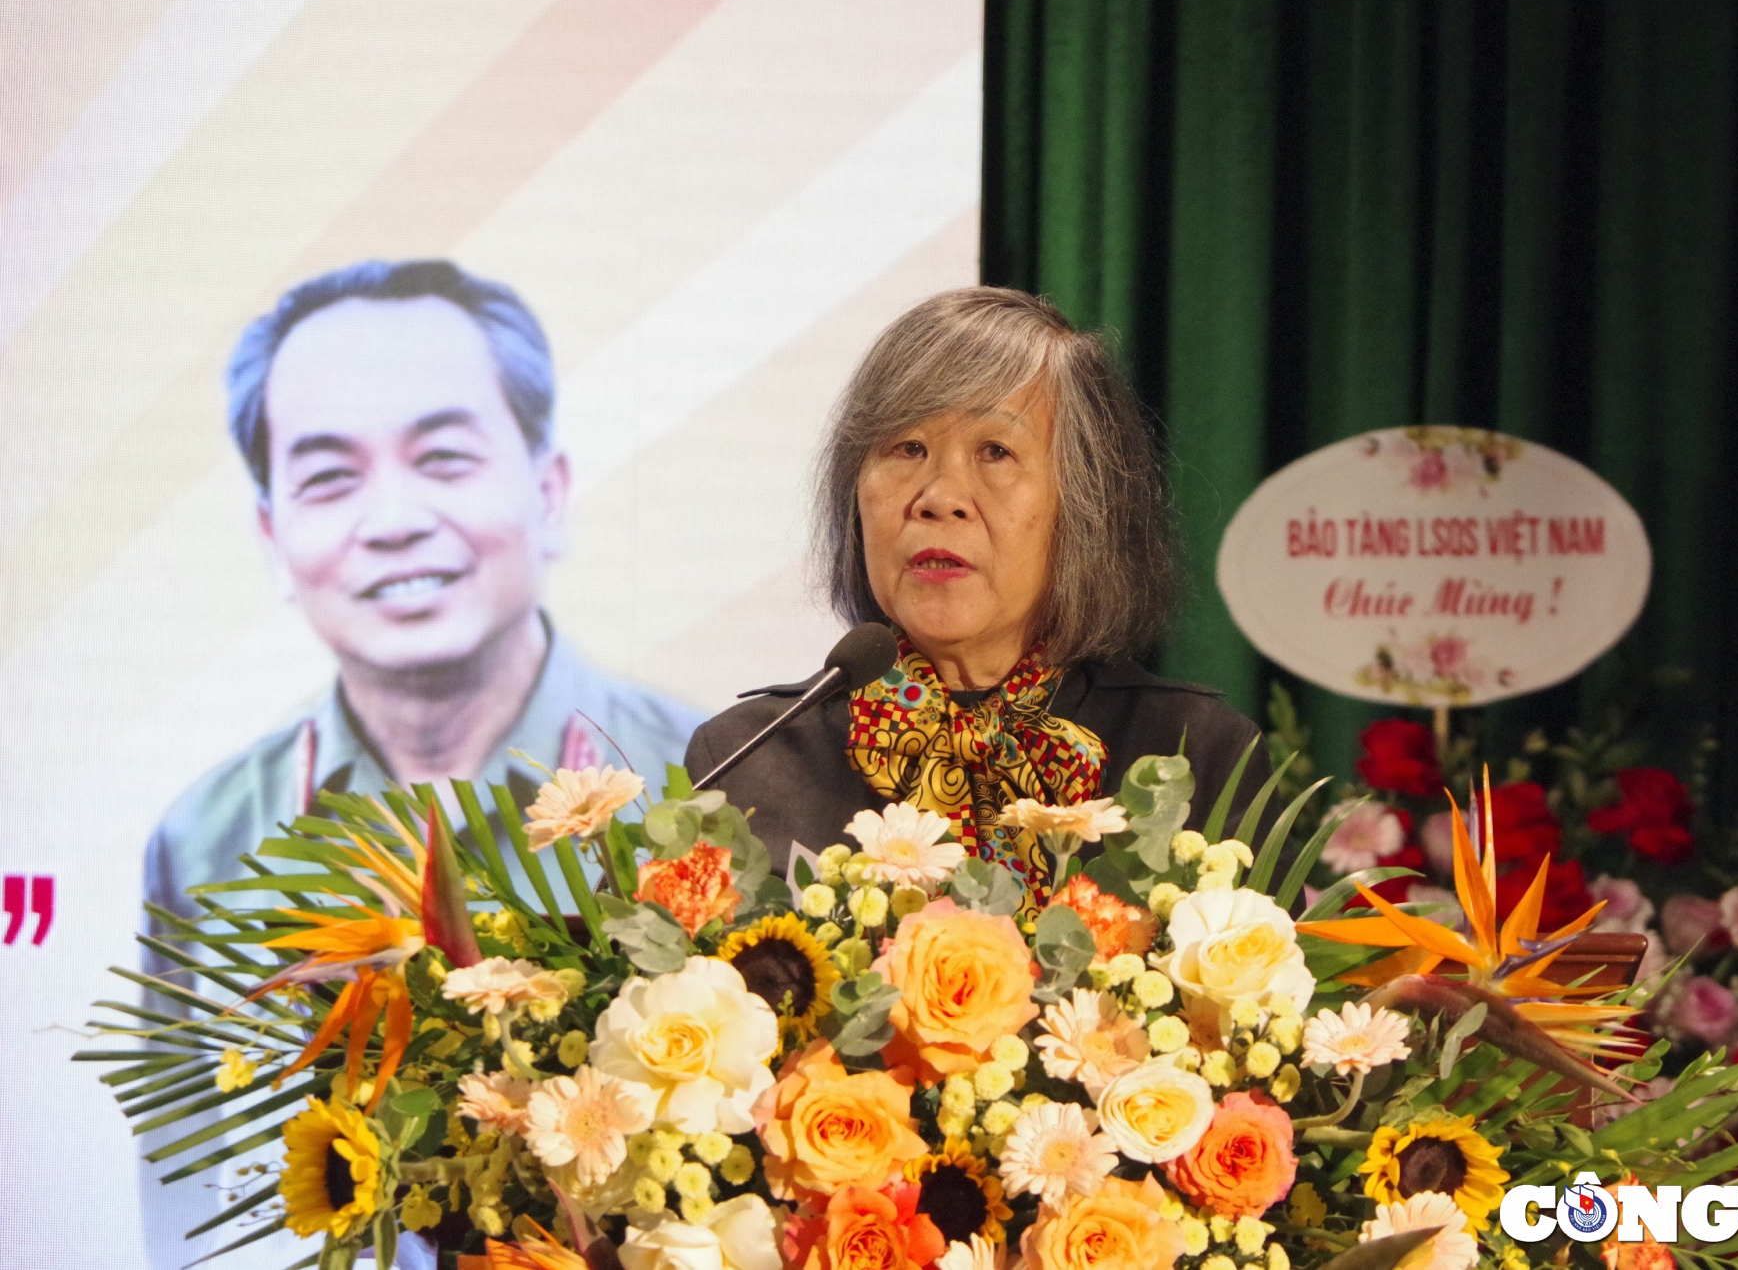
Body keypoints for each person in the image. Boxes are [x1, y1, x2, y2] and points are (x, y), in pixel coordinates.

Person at [138, 259, 703, 1269]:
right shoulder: (207, 842)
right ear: (273, 536)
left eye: (442, 456)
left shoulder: (701, 785)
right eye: (328, 476)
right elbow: (192, 1216)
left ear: (549, 490)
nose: (391, 518)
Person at [687, 287, 1264, 899]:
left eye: (996, 451)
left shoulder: (1193, 756)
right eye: (907, 448)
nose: (939, 496)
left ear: (1080, 505)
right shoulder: (749, 761)